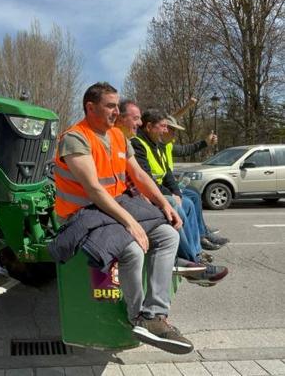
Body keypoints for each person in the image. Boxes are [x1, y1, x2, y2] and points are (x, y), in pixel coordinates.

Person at [48, 82, 193, 355]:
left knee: (168, 235)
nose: (117, 111)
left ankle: (155, 316)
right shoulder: (75, 138)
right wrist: (131, 222)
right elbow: (93, 189)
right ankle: (137, 316)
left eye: (117, 105)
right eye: (110, 106)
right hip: (83, 215)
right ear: (90, 107)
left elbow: (138, 174)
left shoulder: (117, 136)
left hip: (114, 208)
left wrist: (164, 204)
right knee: (133, 250)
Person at [131, 109, 228, 286]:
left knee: (189, 202)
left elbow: (166, 173)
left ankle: (196, 252)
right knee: (174, 207)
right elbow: (144, 178)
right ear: (150, 127)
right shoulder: (138, 143)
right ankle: (193, 265)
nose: (167, 131)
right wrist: (169, 196)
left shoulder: (155, 143)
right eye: (164, 127)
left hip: (158, 190)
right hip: (147, 194)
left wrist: (176, 192)